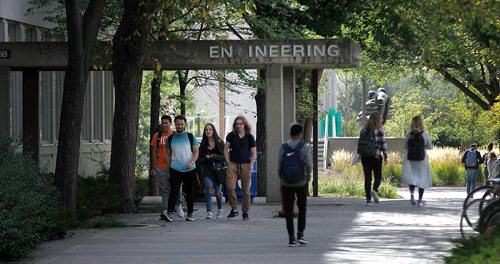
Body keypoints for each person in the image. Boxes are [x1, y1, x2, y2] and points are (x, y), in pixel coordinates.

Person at [278, 123, 313, 247]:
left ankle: (291, 237)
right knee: (302, 207)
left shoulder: (283, 147)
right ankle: (301, 234)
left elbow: (280, 164)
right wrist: (308, 177)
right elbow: (309, 164)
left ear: (290, 133)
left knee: (288, 209)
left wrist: (282, 179)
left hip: (287, 182)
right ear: (300, 134)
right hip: (301, 181)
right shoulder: (305, 147)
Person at [165, 115, 199, 222]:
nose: (180, 126)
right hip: (175, 168)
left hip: (189, 168)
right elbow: (168, 155)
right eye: (178, 124)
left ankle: (190, 214)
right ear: (175, 124)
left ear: (185, 124)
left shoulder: (190, 137)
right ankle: (169, 213)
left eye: (182, 124)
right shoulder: (170, 138)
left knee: (190, 191)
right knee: (174, 191)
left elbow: (196, 152)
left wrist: (192, 162)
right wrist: (168, 169)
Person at [151, 115, 184, 221]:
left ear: (170, 124)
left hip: (174, 166)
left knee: (176, 188)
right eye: (163, 122)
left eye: (166, 123)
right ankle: (165, 210)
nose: (164, 124)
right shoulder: (157, 135)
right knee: (165, 189)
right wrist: (155, 166)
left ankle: (178, 205)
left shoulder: (175, 135)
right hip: (161, 167)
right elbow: (154, 151)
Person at [224, 116, 257, 221]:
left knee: (246, 191)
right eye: (237, 124)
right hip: (233, 164)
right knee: (230, 187)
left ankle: (245, 212)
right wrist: (228, 162)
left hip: (245, 165)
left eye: (240, 124)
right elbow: (225, 149)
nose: (238, 126)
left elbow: (254, 153)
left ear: (245, 125)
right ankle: (234, 208)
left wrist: (251, 165)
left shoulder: (249, 137)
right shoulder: (231, 135)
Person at [401, 116, 433, 207]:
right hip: (422, 159)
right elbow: (430, 147)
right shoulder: (425, 134)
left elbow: (405, 147)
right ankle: (420, 201)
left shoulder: (409, 134)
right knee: (422, 178)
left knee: (412, 177)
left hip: (411, 158)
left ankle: (411, 194)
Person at [359, 112, 388, 206]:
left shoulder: (364, 130)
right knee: (378, 177)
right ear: (377, 119)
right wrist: (385, 155)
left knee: (367, 178)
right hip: (376, 156)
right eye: (380, 118)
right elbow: (383, 143)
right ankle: (374, 190)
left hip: (365, 157)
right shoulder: (379, 130)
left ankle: (368, 199)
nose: (382, 120)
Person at [198, 123, 226, 219]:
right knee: (208, 189)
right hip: (207, 171)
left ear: (213, 131)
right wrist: (205, 159)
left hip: (218, 171)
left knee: (218, 192)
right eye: (206, 130)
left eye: (210, 129)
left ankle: (220, 209)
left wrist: (212, 156)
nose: (208, 131)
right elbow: (199, 159)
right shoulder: (203, 144)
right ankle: (209, 212)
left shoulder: (220, 142)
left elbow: (224, 157)